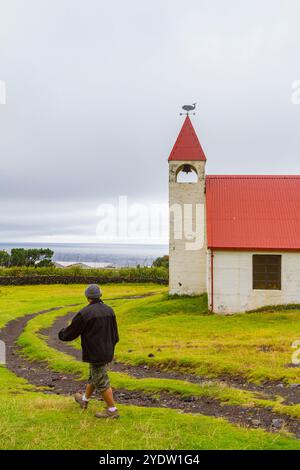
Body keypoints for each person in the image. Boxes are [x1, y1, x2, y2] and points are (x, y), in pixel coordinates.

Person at [58, 284, 119, 419]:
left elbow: (71, 332)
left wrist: (61, 334)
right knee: (94, 376)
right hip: (108, 350)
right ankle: (84, 400)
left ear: (87, 297)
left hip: (95, 353)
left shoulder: (85, 313)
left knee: (101, 381)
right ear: (100, 295)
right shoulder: (110, 310)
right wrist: (110, 346)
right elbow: (115, 334)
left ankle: (112, 410)